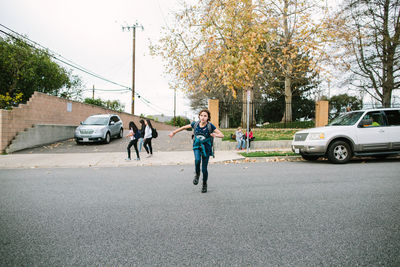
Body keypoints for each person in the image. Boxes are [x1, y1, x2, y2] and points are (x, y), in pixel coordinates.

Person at [169, 109, 224, 193]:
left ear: (208, 117)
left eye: (205, 116)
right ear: (199, 116)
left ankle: (204, 184)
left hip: (206, 148)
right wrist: (174, 132)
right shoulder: (195, 124)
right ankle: (197, 174)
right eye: (201, 115)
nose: (203, 117)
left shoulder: (210, 126)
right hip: (197, 146)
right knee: (197, 160)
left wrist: (214, 134)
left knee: (204, 169)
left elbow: (222, 135)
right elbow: (184, 127)